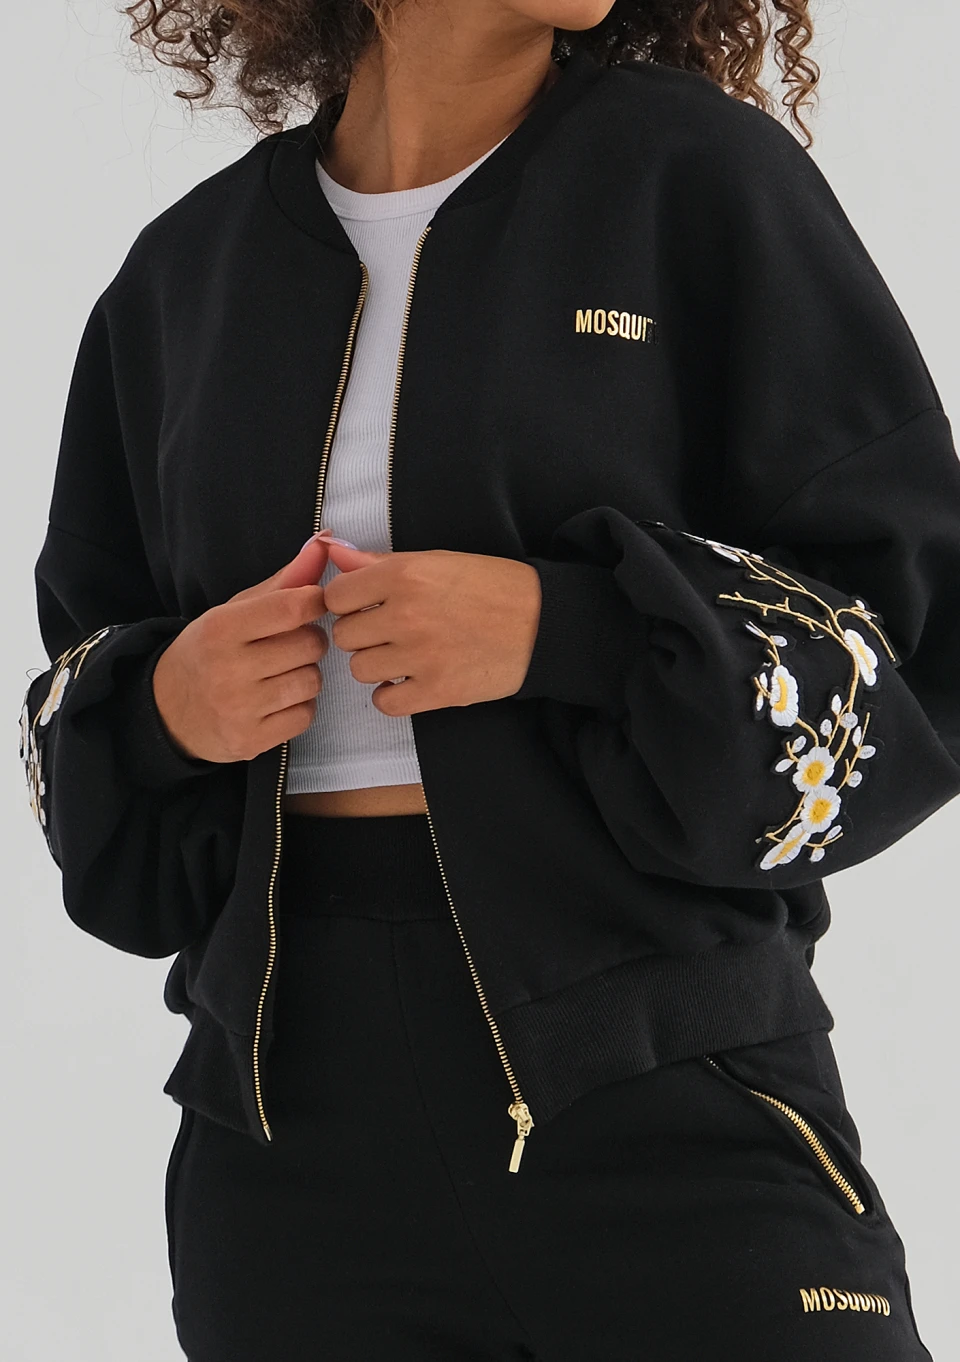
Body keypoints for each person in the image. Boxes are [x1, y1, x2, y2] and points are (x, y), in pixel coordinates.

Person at [20, 0, 960, 1357]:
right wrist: (168, 706)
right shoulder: (187, 278)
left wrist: (560, 630)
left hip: (668, 1088)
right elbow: (72, 704)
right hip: (289, 1152)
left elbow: (909, 637)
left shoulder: (696, 181)